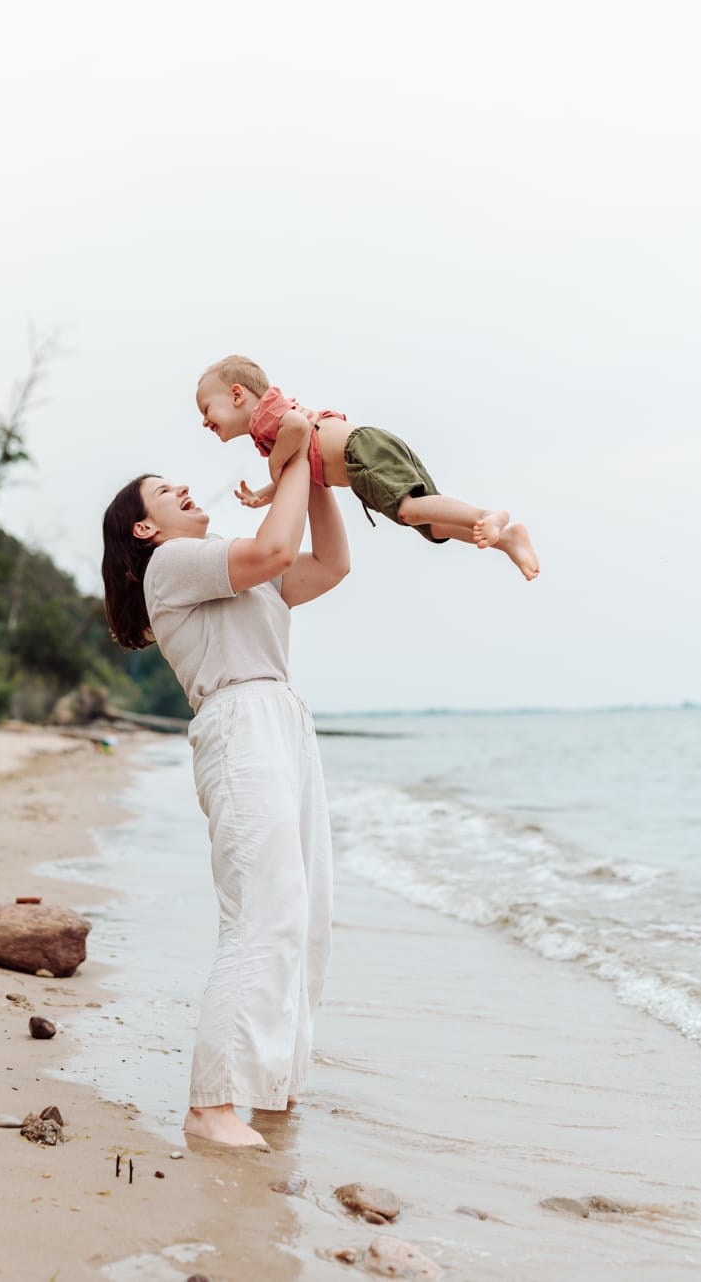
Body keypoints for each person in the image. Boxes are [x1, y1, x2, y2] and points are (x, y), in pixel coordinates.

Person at [101, 436, 349, 1147]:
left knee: (304, 916)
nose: (183, 490)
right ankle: (211, 1105)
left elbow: (332, 563)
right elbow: (274, 550)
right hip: (240, 723)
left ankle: (271, 1084)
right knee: (263, 913)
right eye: (164, 492)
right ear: (144, 528)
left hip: (283, 721)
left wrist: (316, 474)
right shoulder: (173, 563)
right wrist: (294, 452)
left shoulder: (223, 567)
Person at [196, 354, 540, 581]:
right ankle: (507, 539)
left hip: (360, 451)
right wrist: (264, 494)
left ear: (237, 395)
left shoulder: (265, 415)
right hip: (362, 462)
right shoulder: (268, 428)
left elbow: (298, 429)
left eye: (206, 409)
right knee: (431, 525)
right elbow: (294, 467)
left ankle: (487, 515)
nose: (204, 422)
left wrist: (273, 463)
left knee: (409, 510)